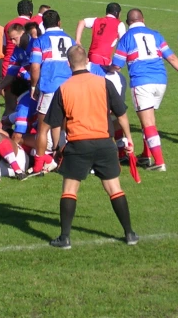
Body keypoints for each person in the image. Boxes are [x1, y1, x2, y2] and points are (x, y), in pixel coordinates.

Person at [44, 45, 138, 249]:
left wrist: (58, 148)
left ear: (68, 65)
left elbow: (55, 124)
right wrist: (129, 139)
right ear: (87, 61)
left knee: (70, 189)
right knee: (114, 188)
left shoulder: (64, 88)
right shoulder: (103, 83)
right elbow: (121, 114)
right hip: (105, 143)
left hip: (78, 144)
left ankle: (65, 238)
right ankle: (129, 233)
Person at [110, 9, 178, 171]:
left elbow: (117, 65)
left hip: (142, 82)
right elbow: (171, 57)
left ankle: (159, 162)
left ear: (128, 23)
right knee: (149, 119)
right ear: (143, 19)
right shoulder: (155, 34)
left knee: (148, 123)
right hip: (161, 81)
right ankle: (146, 155)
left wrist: (106, 68)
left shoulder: (126, 38)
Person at [28, 9, 75, 175]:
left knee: (43, 128)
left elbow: (34, 66)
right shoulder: (71, 40)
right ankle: (63, 158)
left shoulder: (40, 41)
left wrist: (33, 86)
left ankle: (38, 164)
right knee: (65, 126)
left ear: (43, 25)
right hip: (69, 88)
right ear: (59, 22)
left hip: (49, 87)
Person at [2, 0, 34, 76]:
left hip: (8, 65)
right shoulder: (33, 26)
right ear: (31, 12)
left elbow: (4, 48)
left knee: (5, 87)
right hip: (26, 66)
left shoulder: (8, 25)